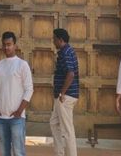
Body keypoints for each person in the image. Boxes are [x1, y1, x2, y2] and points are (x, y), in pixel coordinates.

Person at [0, 31, 33, 156]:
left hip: (17, 118)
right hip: (1, 118)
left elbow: (29, 89)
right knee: (4, 152)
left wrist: (19, 112)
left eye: (9, 44)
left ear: (15, 45)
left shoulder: (22, 65)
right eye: (4, 44)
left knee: (19, 152)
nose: (6, 47)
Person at [50, 28, 79, 156]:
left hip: (65, 96)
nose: (53, 41)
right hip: (62, 96)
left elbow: (71, 74)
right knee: (54, 123)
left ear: (60, 40)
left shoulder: (66, 52)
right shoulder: (65, 51)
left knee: (67, 130)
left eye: (54, 39)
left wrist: (62, 92)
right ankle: (59, 152)